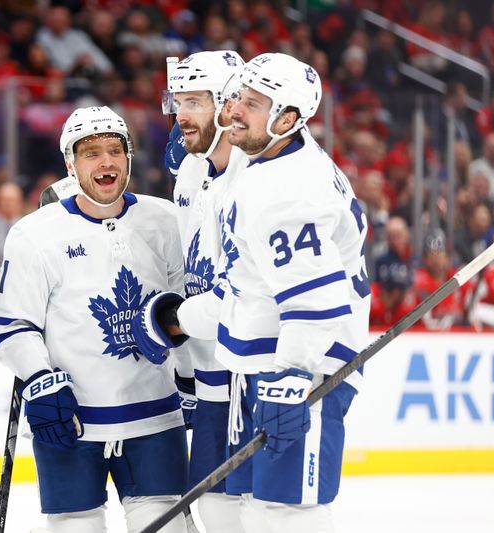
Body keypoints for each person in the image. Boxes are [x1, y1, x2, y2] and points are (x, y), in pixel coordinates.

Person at [133, 53, 370, 532]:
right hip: (260, 365)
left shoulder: (286, 188)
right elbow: (248, 288)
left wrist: (294, 375)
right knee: (250, 511)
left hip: (301, 369)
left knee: (281, 514)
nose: (233, 109)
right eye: (236, 95)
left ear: (286, 119)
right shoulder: (265, 166)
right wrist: (179, 320)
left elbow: (315, 302)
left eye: (251, 102)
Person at [0, 106, 189, 533]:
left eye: (116, 150)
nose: (106, 162)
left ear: (129, 158)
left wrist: (192, 382)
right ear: (70, 164)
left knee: (168, 525)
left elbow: (186, 310)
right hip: (71, 417)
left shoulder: (165, 220)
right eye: (91, 152)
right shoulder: (34, 234)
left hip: (154, 417)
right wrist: (39, 380)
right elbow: (11, 324)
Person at [162, 49, 247, 533]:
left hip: (248, 372)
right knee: (213, 507)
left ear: (228, 104)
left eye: (193, 101)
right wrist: (186, 372)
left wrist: (171, 324)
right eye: (177, 102)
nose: (181, 115)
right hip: (210, 371)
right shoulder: (190, 170)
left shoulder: (252, 176)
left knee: (256, 512)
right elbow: (185, 271)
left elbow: (241, 295)